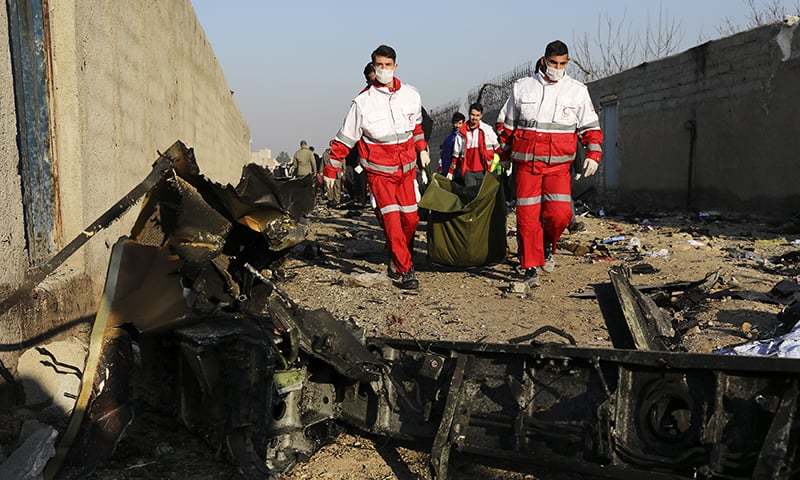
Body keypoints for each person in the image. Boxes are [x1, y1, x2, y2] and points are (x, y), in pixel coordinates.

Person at [497, 40, 603, 288]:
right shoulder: (523, 88)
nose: (557, 68)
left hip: (558, 167)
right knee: (527, 217)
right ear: (544, 60)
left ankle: (546, 245)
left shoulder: (576, 91)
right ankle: (530, 266)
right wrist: (503, 155)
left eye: (562, 64)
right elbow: (505, 125)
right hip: (527, 166)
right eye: (553, 63)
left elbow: (591, 127)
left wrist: (593, 155)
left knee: (560, 215)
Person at [324, 45, 431, 290]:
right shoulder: (362, 103)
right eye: (379, 66)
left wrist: (422, 148)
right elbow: (345, 139)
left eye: (388, 65)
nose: (384, 70)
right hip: (379, 173)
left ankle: (397, 259)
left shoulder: (411, 95)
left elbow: (416, 127)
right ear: (373, 67)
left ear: (396, 66)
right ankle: (405, 271)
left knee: (411, 220)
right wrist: (331, 169)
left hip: (406, 172)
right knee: (392, 221)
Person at [448, 103, 498, 188]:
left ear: (481, 116)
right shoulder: (461, 133)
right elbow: (455, 155)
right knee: (472, 197)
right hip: (468, 172)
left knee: (484, 198)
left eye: (477, 115)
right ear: (469, 114)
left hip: (485, 171)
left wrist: (506, 160)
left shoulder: (487, 130)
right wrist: (450, 172)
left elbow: (497, 147)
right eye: (472, 115)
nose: (474, 118)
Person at [439, 112, 465, 178]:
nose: (457, 126)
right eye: (456, 123)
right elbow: (443, 155)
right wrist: (440, 167)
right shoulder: (448, 139)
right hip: (446, 170)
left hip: (457, 171)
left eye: (460, 123)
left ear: (463, 123)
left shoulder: (464, 138)